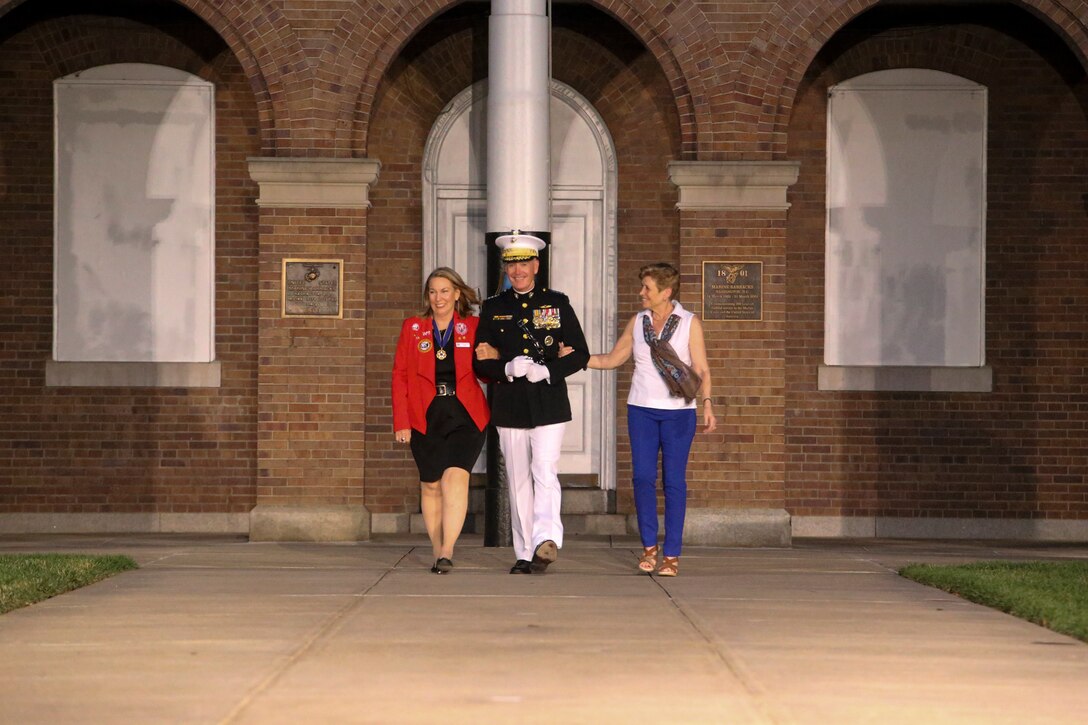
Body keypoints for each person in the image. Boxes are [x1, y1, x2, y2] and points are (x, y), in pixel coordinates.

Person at [584, 262, 716, 577]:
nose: (641, 293)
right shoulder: (638, 322)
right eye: (642, 286)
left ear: (665, 292)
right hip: (640, 410)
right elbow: (613, 359)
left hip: (679, 414)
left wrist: (708, 404)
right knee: (643, 479)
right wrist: (574, 359)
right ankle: (648, 548)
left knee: (674, 482)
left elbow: (702, 368)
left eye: (647, 288)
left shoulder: (688, 323)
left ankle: (671, 554)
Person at [473, 231, 590, 574]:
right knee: (519, 479)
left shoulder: (557, 303)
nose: (517, 270)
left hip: (548, 400)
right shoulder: (494, 307)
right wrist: (506, 367)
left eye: (524, 263)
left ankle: (546, 539)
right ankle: (525, 552)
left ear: (536, 265)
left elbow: (580, 353)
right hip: (509, 402)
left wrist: (549, 371)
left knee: (544, 469)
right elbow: (480, 361)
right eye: (511, 264)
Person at [392, 267, 490, 574]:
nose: (439, 298)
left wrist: (490, 357)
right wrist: (402, 422)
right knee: (431, 484)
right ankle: (437, 548)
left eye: (445, 291)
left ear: (457, 294)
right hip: (425, 415)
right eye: (433, 292)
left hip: (465, 414)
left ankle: (448, 549)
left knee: (455, 477)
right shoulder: (413, 328)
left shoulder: (473, 326)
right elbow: (400, 376)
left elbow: (486, 375)